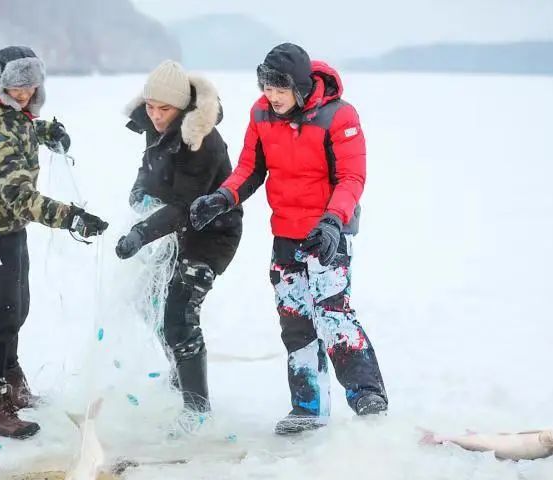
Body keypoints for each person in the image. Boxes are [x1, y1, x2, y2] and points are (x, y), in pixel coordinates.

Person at [190, 43, 388, 435]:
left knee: (333, 313)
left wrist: (333, 222)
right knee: (295, 319)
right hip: (286, 233)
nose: (271, 96)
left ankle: (368, 395)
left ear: (299, 87)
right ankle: (307, 406)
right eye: (266, 87)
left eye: (279, 89)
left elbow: (352, 177)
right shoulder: (261, 113)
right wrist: (222, 198)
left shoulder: (338, 115)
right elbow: (249, 168)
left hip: (329, 232)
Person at [0, 46, 108, 439]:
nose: (24, 93)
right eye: (17, 86)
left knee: (17, 309)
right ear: (2, 83)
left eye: (30, 84)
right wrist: (72, 216)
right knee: (2, 318)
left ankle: (13, 382)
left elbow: (17, 128)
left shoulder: (10, 115)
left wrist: (44, 131)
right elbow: (19, 195)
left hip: (10, 228)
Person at [116, 60, 243, 417]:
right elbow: (149, 170)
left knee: (180, 315)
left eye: (164, 109)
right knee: (147, 299)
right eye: (151, 108)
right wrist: (139, 191)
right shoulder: (156, 125)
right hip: (174, 230)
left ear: (182, 106)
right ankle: (179, 373)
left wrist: (141, 233)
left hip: (211, 233)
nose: (155, 116)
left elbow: (186, 206)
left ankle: (197, 409)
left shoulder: (201, 140)